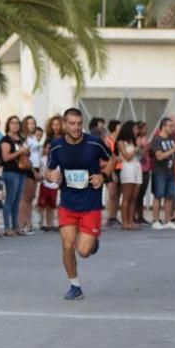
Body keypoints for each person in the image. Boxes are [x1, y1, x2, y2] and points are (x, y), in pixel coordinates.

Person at [44, 107, 113, 300]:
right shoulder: (56, 146)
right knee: (67, 245)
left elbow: (112, 159)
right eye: (72, 124)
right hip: (67, 203)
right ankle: (75, 286)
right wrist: (50, 174)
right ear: (65, 124)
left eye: (79, 124)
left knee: (83, 251)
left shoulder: (94, 143)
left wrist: (103, 175)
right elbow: (47, 171)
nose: (76, 128)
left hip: (90, 204)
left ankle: (92, 243)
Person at [0, 115, 28, 237]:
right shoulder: (6, 140)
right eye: (12, 123)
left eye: (17, 123)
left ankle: (16, 226)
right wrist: (19, 152)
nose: (15, 125)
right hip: (10, 171)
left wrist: (26, 152)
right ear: (8, 125)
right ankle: (7, 227)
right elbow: (5, 157)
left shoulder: (21, 139)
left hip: (21, 171)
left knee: (17, 200)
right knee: (10, 199)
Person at [149, 117, 175, 231]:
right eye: (170, 126)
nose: (173, 128)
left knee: (170, 196)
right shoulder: (157, 140)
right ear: (164, 126)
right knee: (158, 195)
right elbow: (159, 156)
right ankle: (156, 220)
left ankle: (167, 220)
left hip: (171, 170)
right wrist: (173, 150)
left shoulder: (172, 139)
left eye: (173, 126)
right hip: (160, 172)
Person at [115, 120, 141, 230]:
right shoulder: (121, 142)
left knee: (134, 197)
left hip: (136, 167)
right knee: (127, 197)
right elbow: (127, 157)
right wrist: (136, 148)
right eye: (135, 129)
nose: (137, 131)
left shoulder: (134, 141)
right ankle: (125, 222)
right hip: (128, 168)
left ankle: (131, 221)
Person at [19, 115, 41, 234]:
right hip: (29, 168)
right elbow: (26, 157)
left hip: (36, 168)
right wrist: (33, 170)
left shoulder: (34, 137)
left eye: (33, 123)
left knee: (31, 197)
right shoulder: (24, 138)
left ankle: (29, 222)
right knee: (25, 198)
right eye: (29, 123)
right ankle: (23, 223)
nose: (32, 125)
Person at [104, 120, 122, 227]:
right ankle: (110, 217)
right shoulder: (108, 140)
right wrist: (112, 171)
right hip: (111, 168)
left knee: (118, 194)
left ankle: (114, 216)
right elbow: (109, 156)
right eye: (119, 127)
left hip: (121, 168)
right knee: (112, 193)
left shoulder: (120, 140)